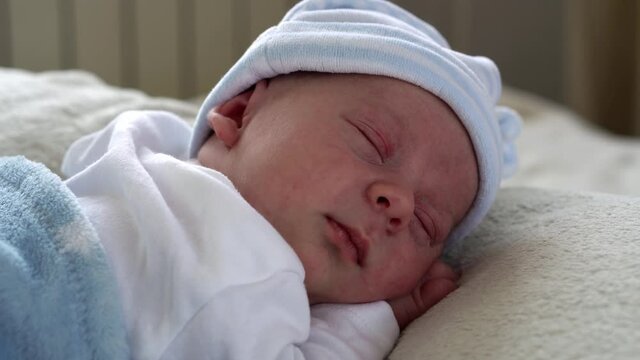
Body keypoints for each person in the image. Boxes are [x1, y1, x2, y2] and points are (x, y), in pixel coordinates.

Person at [62, 0, 521, 358]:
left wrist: (386, 314)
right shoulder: (245, 271)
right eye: (372, 140)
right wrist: (377, 321)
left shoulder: (256, 289)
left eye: (426, 223)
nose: (399, 203)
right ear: (239, 112)